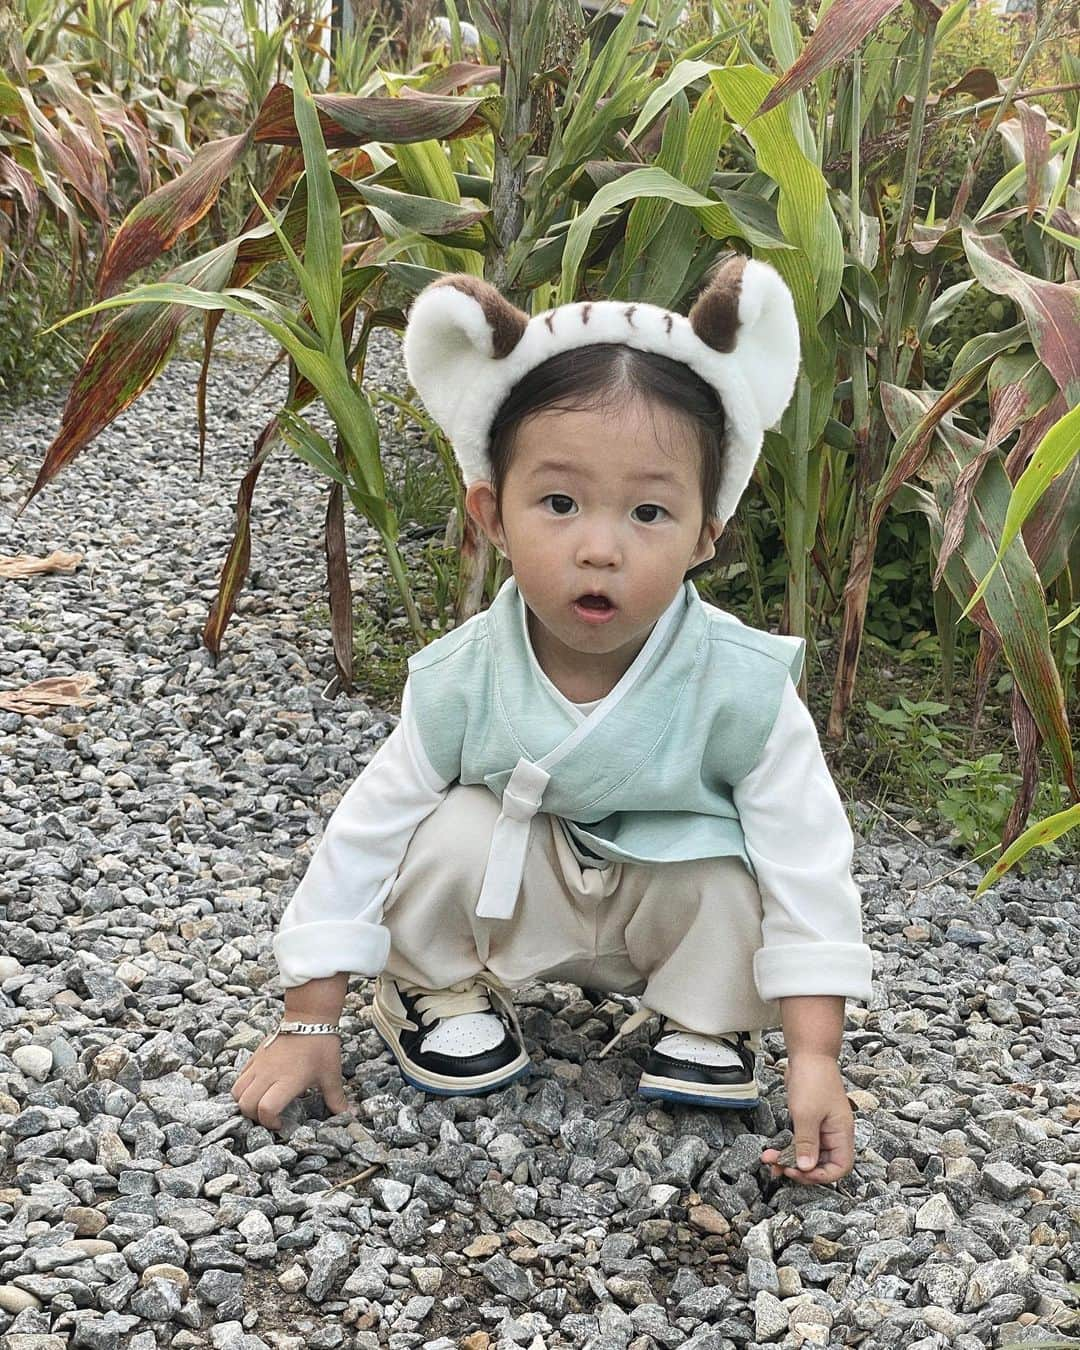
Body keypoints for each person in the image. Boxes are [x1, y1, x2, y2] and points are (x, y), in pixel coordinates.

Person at [232, 254, 875, 1188]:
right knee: (443, 829)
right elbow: (362, 835)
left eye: (649, 511)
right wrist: (307, 1018)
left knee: (735, 875)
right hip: (511, 890)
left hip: (665, 899)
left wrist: (816, 1056)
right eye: (560, 502)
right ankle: (435, 982)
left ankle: (706, 1016)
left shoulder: (741, 685)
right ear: (491, 512)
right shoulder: (461, 678)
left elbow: (808, 859)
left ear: (708, 530)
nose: (600, 547)